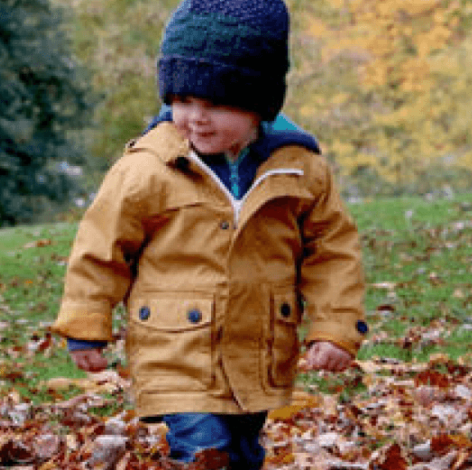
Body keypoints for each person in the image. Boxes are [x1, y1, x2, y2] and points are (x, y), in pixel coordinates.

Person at [50, 0, 368, 468]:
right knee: (204, 451)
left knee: (242, 452)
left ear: (259, 102)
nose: (195, 117)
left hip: (259, 351)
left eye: (215, 104)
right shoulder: (147, 169)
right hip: (174, 350)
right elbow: (101, 247)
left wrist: (337, 328)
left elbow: (332, 252)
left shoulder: (300, 169)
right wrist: (85, 324)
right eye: (181, 101)